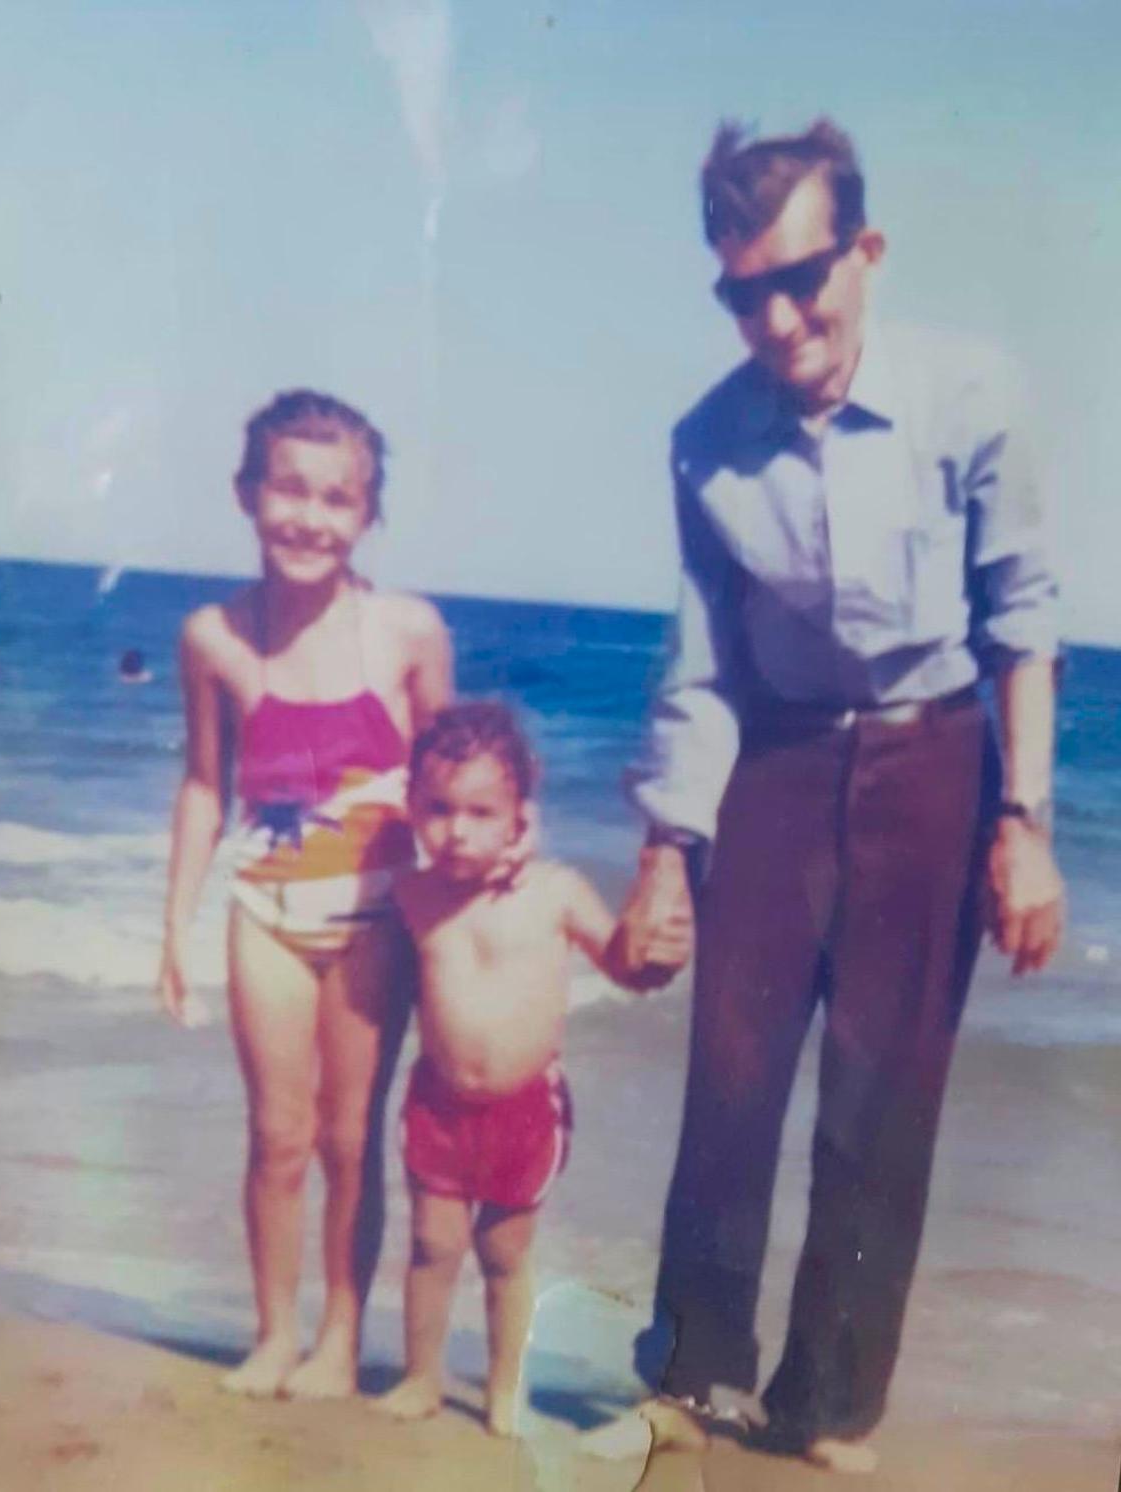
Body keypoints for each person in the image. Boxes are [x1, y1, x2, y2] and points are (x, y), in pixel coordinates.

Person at [618, 119, 1064, 1473]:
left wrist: (1025, 826)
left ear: (864, 252)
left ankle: (829, 1403)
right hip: (775, 759)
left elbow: (1022, 621)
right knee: (733, 1078)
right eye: (744, 292)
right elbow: (699, 665)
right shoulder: (705, 443)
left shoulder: (974, 394)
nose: (779, 316)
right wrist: (659, 852)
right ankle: (695, 1374)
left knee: (884, 1100)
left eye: (803, 278)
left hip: (936, 761)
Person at [155, 389, 453, 1398]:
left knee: (349, 1135)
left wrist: (473, 924)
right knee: (279, 1134)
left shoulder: (407, 632)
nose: (310, 518)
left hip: (378, 921)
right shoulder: (214, 638)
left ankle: (338, 1338)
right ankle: (275, 1332)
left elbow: (451, 779)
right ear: (248, 493)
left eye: (338, 499)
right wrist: (173, 928)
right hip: (265, 916)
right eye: (289, 489)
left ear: (367, 516)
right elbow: (203, 783)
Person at [375, 702, 659, 1436]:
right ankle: (420, 1378)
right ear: (410, 806)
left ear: (519, 817)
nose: (457, 829)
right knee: (431, 1246)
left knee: (505, 1255)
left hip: (525, 1111)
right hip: (435, 1104)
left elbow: (625, 963)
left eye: (481, 811)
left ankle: (505, 1390)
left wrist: (649, 929)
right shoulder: (412, 894)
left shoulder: (555, 891)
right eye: (437, 809)